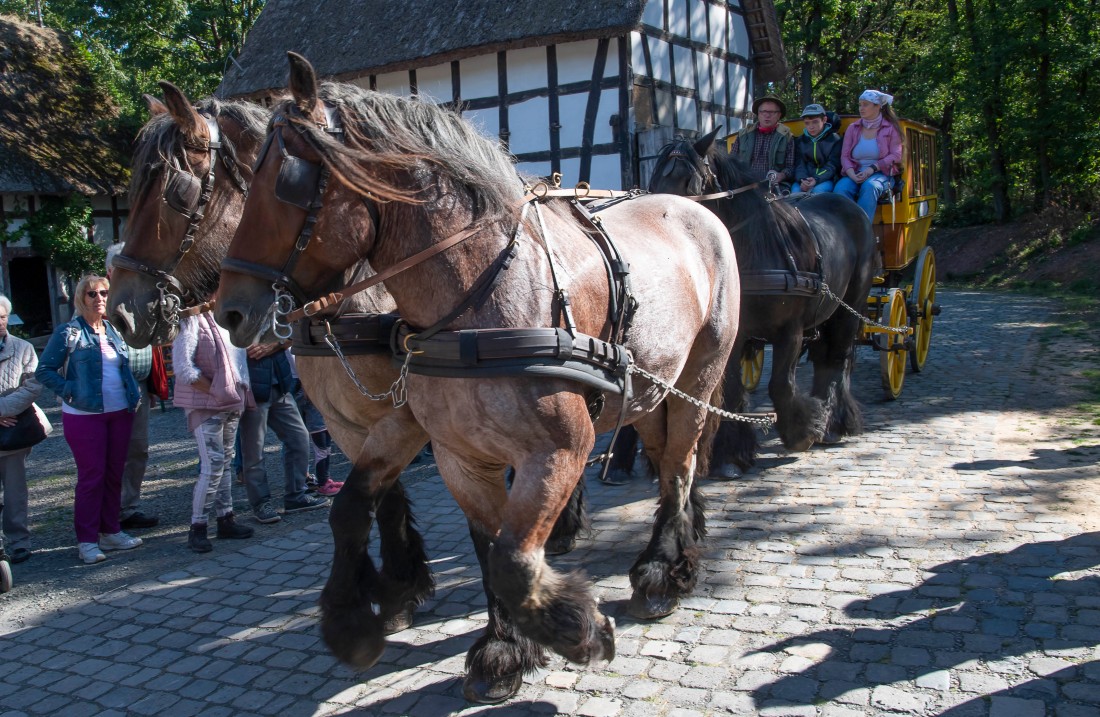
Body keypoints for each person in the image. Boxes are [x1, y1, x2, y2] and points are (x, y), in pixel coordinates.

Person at [36, 274, 143, 565]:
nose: (99, 299)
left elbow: (123, 369)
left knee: (113, 474)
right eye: (92, 294)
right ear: (81, 298)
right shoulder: (67, 332)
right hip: (84, 415)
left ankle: (111, 530)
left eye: (104, 293)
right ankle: (87, 540)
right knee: (91, 477)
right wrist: (70, 390)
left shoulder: (113, 330)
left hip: (120, 411)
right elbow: (44, 370)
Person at [172, 312, 255, 552]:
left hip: (231, 402)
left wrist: (238, 392)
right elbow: (184, 368)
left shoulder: (228, 318)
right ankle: (197, 526)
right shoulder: (191, 321)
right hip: (205, 404)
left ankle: (225, 518)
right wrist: (215, 391)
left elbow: (239, 360)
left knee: (225, 462)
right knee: (213, 464)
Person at [239, 344, 329, 524]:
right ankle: (261, 503)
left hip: (279, 383)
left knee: (299, 438)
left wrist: (272, 345)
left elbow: (289, 333)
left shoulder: (273, 314)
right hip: (252, 386)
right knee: (254, 449)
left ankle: (296, 496)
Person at [105, 243, 159, 531]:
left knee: (138, 449)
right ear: (112, 271)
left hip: (138, 386)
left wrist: (151, 384)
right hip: (108, 390)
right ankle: (110, 511)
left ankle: (129, 506)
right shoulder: (99, 300)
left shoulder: (140, 300)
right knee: (112, 452)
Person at [0, 296, 43, 565]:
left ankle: (19, 542)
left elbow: (33, 386)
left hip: (13, 430)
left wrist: (2, 410)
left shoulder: (24, 348)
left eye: (2, 316)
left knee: (15, 492)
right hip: (8, 417)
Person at [833, 89, 904, 220]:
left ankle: (862, 229)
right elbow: (845, 156)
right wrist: (851, 174)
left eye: (865, 104)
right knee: (840, 189)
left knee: (870, 187)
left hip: (881, 173)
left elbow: (896, 155)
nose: (861, 108)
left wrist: (872, 168)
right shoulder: (853, 128)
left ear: (878, 106)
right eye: (860, 104)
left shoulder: (891, 128)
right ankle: (846, 227)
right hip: (855, 172)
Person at [287, 351, 343, 496]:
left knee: (322, 434)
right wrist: (307, 381)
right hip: (297, 381)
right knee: (298, 437)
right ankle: (310, 483)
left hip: (309, 379)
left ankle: (321, 480)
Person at [730, 94, 796, 193]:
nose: (767, 115)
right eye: (763, 111)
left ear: (779, 115)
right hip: (744, 185)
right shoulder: (743, 135)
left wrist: (780, 176)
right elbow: (731, 161)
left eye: (772, 112)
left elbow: (791, 167)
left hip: (774, 186)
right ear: (758, 114)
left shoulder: (786, 137)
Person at [790, 103, 843, 195]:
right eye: (807, 123)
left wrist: (816, 179)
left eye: (815, 122)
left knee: (817, 193)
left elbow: (833, 165)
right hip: (804, 180)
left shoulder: (834, 140)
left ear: (824, 120)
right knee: (795, 193)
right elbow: (799, 164)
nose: (811, 126)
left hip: (826, 179)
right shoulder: (800, 141)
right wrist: (803, 179)